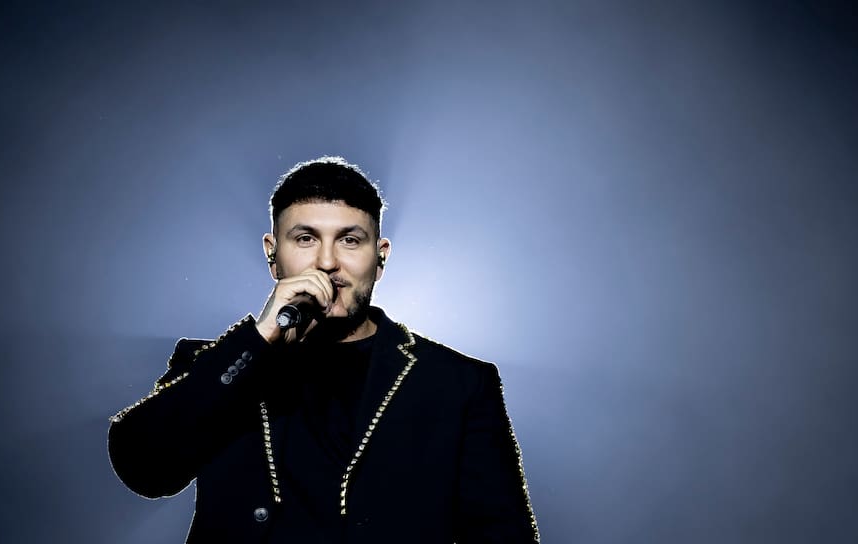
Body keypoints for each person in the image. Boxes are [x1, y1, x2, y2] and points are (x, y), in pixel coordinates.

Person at [108, 157, 539, 543]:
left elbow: (504, 535)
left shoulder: (458, 382)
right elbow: (143, 469)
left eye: (350, 240)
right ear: (272, 254)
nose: (328, 262)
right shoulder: (217, 364)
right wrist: (258, 341)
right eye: (305, 239)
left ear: (380, 257)